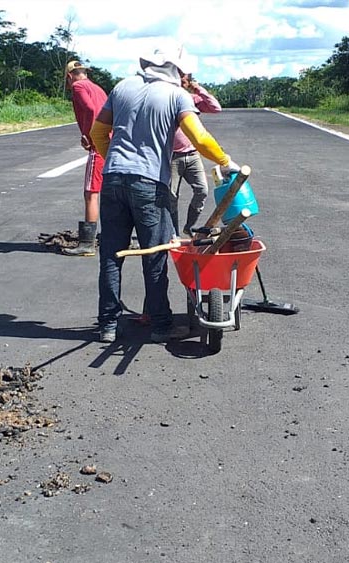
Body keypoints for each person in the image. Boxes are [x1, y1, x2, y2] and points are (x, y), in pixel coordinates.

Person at [88, 50, 240, 343]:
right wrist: (224, 161)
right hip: (148, 183)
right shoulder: (176, 95)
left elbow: (97, 132)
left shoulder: (122, 86)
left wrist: (116, 164)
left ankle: (107, 325)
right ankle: (161, 325)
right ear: (176, 70)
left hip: (113, 179)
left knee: (111, 254)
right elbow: (199, 138)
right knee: (155, 253)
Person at [169, 60, 221, 236]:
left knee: (202, 191)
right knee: (171, 197)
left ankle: (189, 226)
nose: (184, 80)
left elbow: (215, 107)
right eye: (181, 76)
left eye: (186, 77)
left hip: (192, 154)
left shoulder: (191, 99)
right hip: (172, 156)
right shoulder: (168, 98)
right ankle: (173, 233)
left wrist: (198, 89)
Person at [62, 60, 108, 256]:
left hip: (98, 144)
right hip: (110, 142)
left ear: (69, 76)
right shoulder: (98, 88)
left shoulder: (78, 86)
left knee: (91, 192)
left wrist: (88, 134)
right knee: (106, 191)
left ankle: (87, 244)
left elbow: (89, 109)